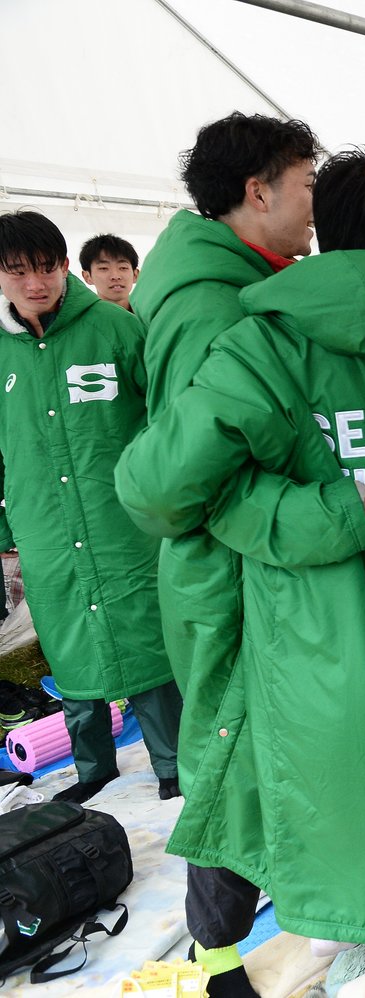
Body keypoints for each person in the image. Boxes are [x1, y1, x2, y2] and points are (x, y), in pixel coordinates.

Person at [116, 149, 365, 998]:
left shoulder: (267, 348)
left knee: (275, 812)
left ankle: (235, 960)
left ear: (323, 229)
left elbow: (154, 489)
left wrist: (294, 509)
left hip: (310, 663)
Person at [0, 209, 182, 803]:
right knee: (67, 639)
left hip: (120, 521)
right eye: (18, 272)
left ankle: (173, 763)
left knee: (145, 633)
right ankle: (92, 768)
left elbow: (163, 418)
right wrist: (6, 531)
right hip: (44, 526)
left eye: (47, 268)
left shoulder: (116, 328)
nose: (36, 284)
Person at [79, 233, 140, 311]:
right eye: (104, 268)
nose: (115, 276)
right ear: (87, 277)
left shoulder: (149, 317)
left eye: (123, 268)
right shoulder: (82, 320)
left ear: (135, 275)